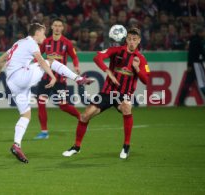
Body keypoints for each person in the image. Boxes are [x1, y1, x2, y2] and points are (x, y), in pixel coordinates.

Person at [0, 23, 94, 163]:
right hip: (21, 77)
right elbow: (42, 61)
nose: (45, 36)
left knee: (25, 115)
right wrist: (53, 76)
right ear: (37, 33)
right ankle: (78, 79)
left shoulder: (19, 43)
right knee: (50, 61)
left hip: (12, 82)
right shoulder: (32, 43)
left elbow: (2, 59)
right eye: (43, 33)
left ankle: (16, 145)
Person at [62, 27, 150, 159]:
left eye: (135, 39)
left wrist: (137, 68)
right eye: (130, 39)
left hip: (123, 95)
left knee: (127, 106)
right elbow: (97, 58)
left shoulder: (141, 59)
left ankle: (126, 146)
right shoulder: (116, 50)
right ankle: (76, 146)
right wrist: (107, 71)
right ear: (126, 39)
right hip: (107, 93)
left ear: (139, 41)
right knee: (85, 116)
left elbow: (146, 80)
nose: (132, 42)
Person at [34, 18, 81, 139]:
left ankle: (81, 117)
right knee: (41, 103)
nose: (57, 28)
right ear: (52, 27)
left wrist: (76, 66)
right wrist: (33, 65)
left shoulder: (67, 43)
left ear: (63, 28)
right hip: (46, 78)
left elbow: (74, 57)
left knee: (63, 106)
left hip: (60, 80)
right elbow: (38, 55)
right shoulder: (46, 41)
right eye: (55, 25)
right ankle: (44, 132)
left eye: (60, 26)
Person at [177, 26, 205, 106]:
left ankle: (180, 101)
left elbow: (190, 54)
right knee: (203, 83)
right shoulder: (197, 41)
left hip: (192, 65)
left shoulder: (193, 41)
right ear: (200, 33)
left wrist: (189, 65)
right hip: (197, 64)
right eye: (203, 32)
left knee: (187, 83)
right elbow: (197, 54)